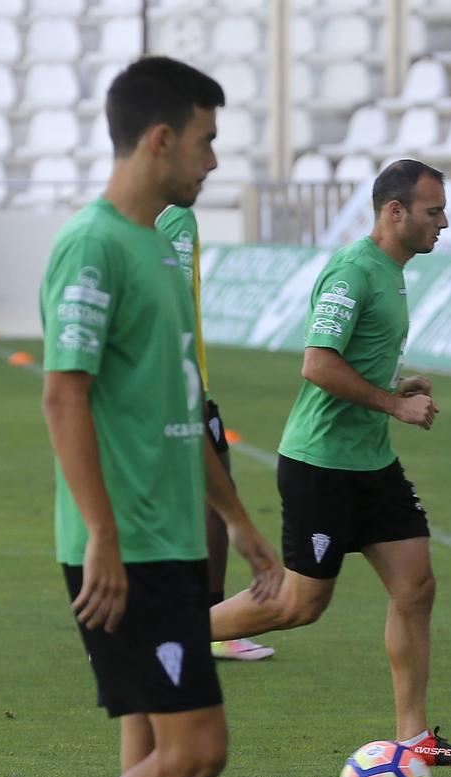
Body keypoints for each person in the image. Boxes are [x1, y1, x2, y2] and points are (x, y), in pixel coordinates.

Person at [38, 57, 281, 777]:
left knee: (165, 770)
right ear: (161, 138)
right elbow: (63, 395)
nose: (213, 162)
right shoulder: (93, 245)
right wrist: (101, 534)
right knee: (194, 753)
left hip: (172, 538)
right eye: (206, 142)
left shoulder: (159, 247)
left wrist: (238, 519)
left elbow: (183, 410)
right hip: (126, 546)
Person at [208, 159, 451, 766]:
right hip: (322, 465)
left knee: (415, 586)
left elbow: (353, 357)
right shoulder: (353, 271)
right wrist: (394, 404)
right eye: (433, 211)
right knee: (297, 606)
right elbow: (317, 363)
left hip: (371, 464)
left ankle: (414, 738)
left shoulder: (391, 271)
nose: (444, 222)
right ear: (395, 213)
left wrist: (396, 380)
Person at [155, 204, 275, 662]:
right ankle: (206, 624)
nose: (209, 164)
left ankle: (133, 628)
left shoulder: (132, 217)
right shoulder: (177, 217)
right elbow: (177, 303)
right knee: (211, 495)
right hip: (177, 385)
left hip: (157, 384)